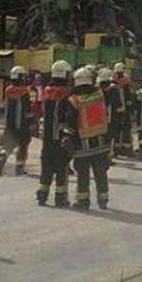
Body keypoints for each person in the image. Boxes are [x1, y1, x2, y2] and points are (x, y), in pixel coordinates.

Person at [62, 66, 112, 210]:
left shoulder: (73, 100)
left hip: (82, 144)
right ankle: (103, 199)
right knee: (101, 173)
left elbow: (70, 121)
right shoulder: (101, 94)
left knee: (83, 174)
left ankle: (83, 201)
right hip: (101, 141)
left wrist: (68, 138)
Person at [36, 60, 74, 207]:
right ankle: (60, 197)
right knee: (61, 168)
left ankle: (42, 195)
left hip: (46, 138)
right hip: (60, 137)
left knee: (46, 167)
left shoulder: (46, 91)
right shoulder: (66, 93)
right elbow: (69, 115)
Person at [0, 66, 38, 177]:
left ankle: (2, 157)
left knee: (7, 146)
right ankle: (19, 168)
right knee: (23, 145)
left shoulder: (8, 90)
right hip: (22, 124)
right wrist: (32, 122)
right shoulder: (25, 91)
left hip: (9, 123)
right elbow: (28, 108)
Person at [112, 64, 135, 158]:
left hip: (116, 111)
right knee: (126, 131)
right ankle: (127, 150)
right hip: (124, 111)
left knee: (117, 131)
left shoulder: (112, 83)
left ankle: (116, 150)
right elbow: (129, 98)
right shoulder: (126, 83)